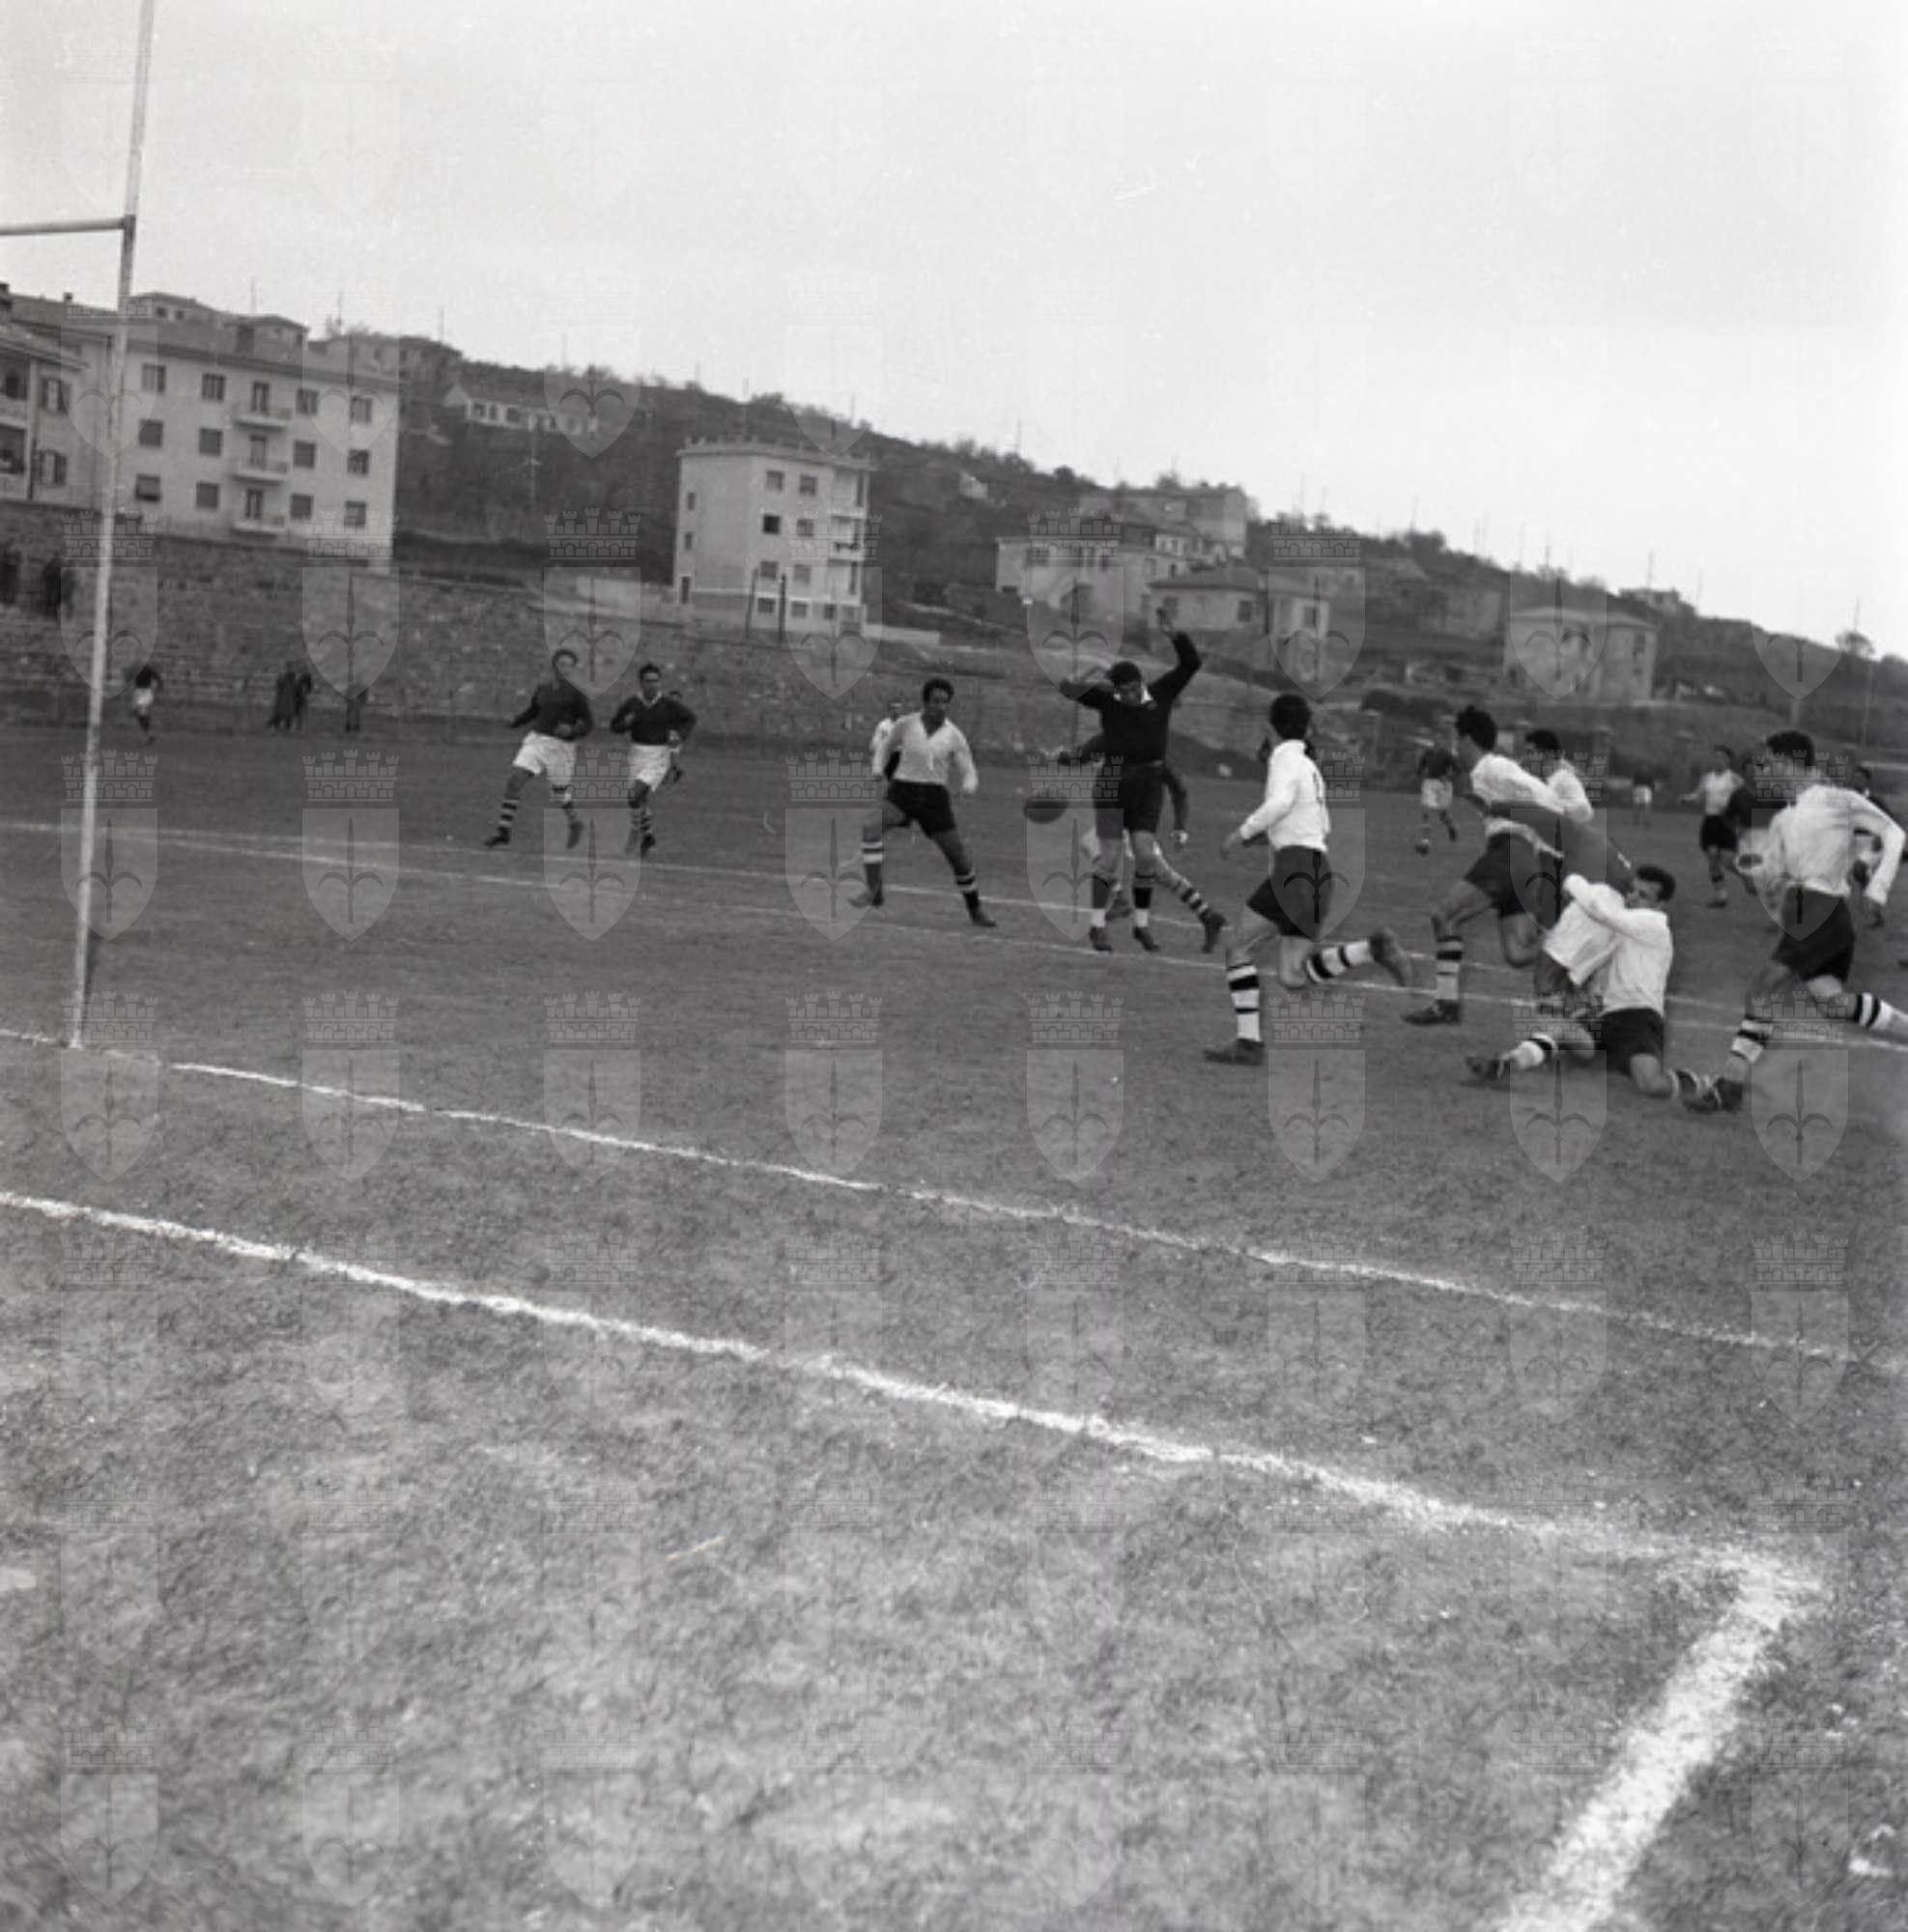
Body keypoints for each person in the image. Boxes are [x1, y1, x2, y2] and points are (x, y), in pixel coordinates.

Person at [1683, 729, 1908, 1114]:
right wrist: (1745, 869)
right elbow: (1772, 873)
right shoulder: (1784, 817)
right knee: (1832, 1003)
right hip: (1805, 910)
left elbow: (1895, 832)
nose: (1762, 770)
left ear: (1790, 761)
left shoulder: (1837, 800)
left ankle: (1731, 1085)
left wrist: (1878, 888)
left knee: (1763, 988)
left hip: (1822, 908)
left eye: (1769, 762)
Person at [1205, 693, 1410, 1065]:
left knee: (1239, 949)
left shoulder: (1284, 757)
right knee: (1292, 976)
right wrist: (1268, 837)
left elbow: (1280, 805)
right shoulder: (1310, 767)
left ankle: (1249, 1044)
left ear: (1270, 727)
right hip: (1317, 873)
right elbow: (1318, 825)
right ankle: (1370, 949)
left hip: (1294, 872)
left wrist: (1241, 833)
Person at [1058, 613, 1226, 954]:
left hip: (1149, 787)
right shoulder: (1107, 701)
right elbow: (1066, 688)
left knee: (1147, 857)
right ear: (1116, 690)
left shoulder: (1162, 693)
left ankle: (1144, 925)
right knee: (1108, 858)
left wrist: (1176, 635)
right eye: (1124, 692)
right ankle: (1097, 926)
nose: (1131, 696)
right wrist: (1096, 675)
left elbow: (1191, 664)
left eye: (1135, 689)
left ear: (1141, 683)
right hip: (1112, 784)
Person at [1404, 704, 1576, 1026]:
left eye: (1456, 738)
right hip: (1521, 861)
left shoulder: (1493, 767)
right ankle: (1577, 950)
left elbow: (1549, 801)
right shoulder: (1486, 773)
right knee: (1518, 953)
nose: (1454, 745)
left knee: (1445, 916)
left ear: (1467, 739)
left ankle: (1446, 1004)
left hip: (1509, 854)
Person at [1466, 867, 1692, 1098]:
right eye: (1632, 890)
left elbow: (1601, 912)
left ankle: (1696, 1085)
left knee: (1650, 1085)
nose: (1632, 898)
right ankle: (1505, 1065)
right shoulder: (1625, 925)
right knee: (1558, 1030)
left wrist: (1572, 882)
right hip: (1605, 1016)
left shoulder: (1653, 925)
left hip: (1637, 1018)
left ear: (1660, 904)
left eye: (1643, 895)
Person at [850, 677, 995, 927]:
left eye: (945, 702)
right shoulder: (906, 724)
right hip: (903, 791)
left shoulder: (954, 735)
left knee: (958, 857)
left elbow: (969, 769)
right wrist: (877, 769)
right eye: (936, 701)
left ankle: (976, 909)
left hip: (934, 798)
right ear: (925, 702)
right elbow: (885, 747)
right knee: (871, 826)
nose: (941, 706)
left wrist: (968, 787)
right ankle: (874, 890)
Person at [485, 647, 592, 850]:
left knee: (559, 792)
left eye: (570, 666)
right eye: (562, 664)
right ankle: (503, 831)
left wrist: (572, 730)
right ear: (554, 666)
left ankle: (574, 822)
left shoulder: (577, 694)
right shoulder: (543, 689)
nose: (565, 669)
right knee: (515, 779)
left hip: (561, 748)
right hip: (537, 741)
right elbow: (533, 711)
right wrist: (515, 721)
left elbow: (588, 723)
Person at [609, 663, 697, 856]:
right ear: (641, 683)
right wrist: (625, 723)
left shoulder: (668, 704)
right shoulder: (632, 703)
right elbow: (614, 726)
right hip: (636, 753)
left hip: (658, 755)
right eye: (648, 681)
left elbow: (690, 718)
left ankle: (641, 833)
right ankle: (647, 836)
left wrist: (679, 735)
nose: (652, 685)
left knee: (634, 795)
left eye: (656, 681)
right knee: (638, 799)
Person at [1682, 746, 1750, 909]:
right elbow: (1699, 796)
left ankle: (1747, 877)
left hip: (1727, 822)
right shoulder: (1707, 778)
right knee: (1712, 858)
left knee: (1727, 861)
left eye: (1722, 757)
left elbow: (1745, 799)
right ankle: (1721, 896)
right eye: (1715, 756)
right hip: (1710, 821)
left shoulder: (1735, 779)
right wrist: (1688, 798)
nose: (1718, 760)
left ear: (1728, 760)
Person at [1414, 740, 1461, 853]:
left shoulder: (1447, 754)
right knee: (1426, 812)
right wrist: (1420, 773)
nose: (1437, 741)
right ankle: (1425, 843)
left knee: (1443, 814)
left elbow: (1457, 770)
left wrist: (1447, 777)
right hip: (1429, 784)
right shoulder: (1427, 754)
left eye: (1439, 739)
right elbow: (1419, 769)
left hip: (1444, 785)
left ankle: (1451, 827)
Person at [126, 662, 162, 740]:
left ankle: (149, 732)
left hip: (145, 692)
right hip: (138, 692)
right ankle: (148, 732)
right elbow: (128, 677)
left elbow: (157, 677)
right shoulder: (136, 669)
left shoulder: (148, 669)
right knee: (136, 712)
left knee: (141, 710)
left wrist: (159, 686)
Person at [267, 662, 299, 732]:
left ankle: (287, 727)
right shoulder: (282, 676)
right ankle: (274, 725)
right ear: (286, 667)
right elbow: (278, 685)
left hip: (289, 697)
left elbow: (295, 686)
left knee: (289, 713)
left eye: (291, 667)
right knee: (279, 713)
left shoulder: (292, 677)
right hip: (282, 697)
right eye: (289, 667)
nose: (290, 669)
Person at [292, 665, 316, 731]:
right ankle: (300, 727)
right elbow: (309, 687)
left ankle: (300, 727)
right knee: (300, 711)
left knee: (300, 712)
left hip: (301, 697)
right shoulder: (302, 677)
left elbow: (309, 687)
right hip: (300, 697)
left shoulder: (304, 677)